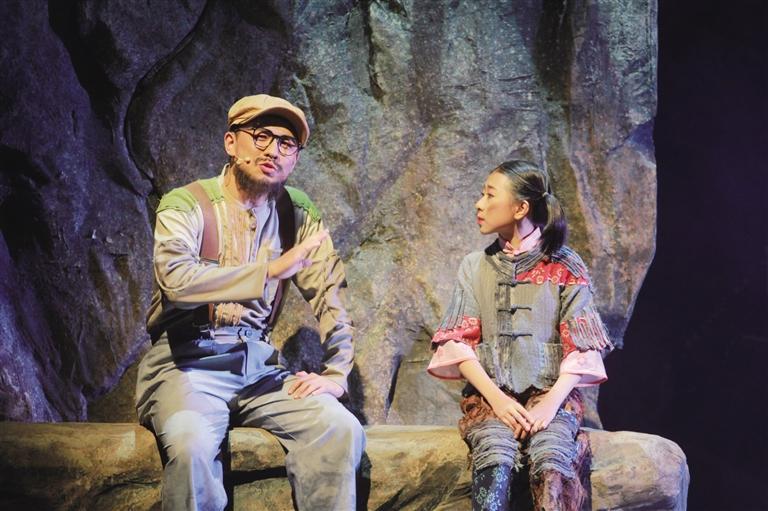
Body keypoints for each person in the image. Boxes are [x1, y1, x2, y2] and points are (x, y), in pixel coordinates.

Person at [135, 94, 365, 511]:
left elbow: (331, 293)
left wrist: (337, 373)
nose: (272, 150)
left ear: (295, 158)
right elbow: (176, 281)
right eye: (261, 136)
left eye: (286, 143)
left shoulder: (297, 213)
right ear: (231, 142)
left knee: (338, 427)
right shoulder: (186, 204)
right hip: (186, 364)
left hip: (258, 368)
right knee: (190, 445)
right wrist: (270, 271)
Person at [427, 160, 612, 510]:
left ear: (520, 208)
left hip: (552, 396)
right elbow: (458, 342)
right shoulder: (474, 266)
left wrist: (551, 403)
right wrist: (497, 400)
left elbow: (582, 345)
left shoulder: (565, 265)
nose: (479, 204)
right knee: (494, 452)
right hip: (490, 397)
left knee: (552, 454)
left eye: (489, 195)